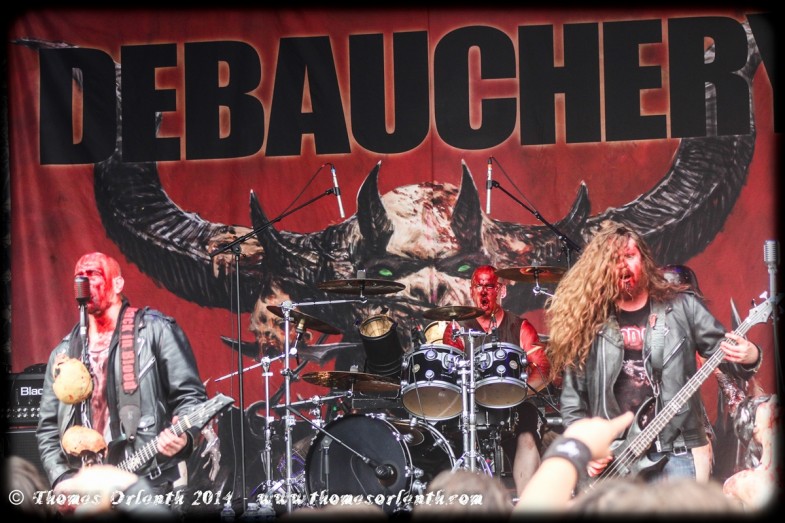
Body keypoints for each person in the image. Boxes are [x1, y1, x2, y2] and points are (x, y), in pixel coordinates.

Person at [546, 220, 762, 484]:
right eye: (613, 260)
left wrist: (750, 355)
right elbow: (572, 402)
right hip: (615, 458)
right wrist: (585, 449)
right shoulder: (588, 321)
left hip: (676, 451)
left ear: (644, 259)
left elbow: (728, 356)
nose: (623, 265)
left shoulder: (683, 308)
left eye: (629, 255)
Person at [36, 252, 209, 513]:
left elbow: (191, 397)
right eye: (79, 276)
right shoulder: (64, 354)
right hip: (88, 492)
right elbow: (48, 428)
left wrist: (185, 436)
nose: (84, 281)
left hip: (146, 479)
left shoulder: (156, 331)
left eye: (93, 274)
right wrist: (61, 478)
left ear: (118, 284)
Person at [441, 264, 552, 494]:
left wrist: (519, 393)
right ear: (471, 291)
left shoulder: (519, 326)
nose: (483, 292)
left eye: (490, 286)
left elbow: (543, 368)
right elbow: (451, 372)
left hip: (515, 404)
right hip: (472, 405)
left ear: (501, 290)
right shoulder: (457, 328)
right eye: (478, 286)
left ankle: (528, 502)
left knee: (527, 437)